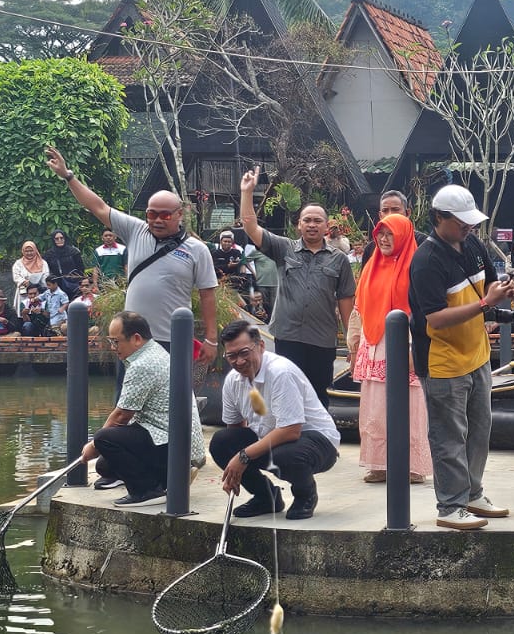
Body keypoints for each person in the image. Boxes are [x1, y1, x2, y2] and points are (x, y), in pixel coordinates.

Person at [409, 184, 514, 530]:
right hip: (442, 360)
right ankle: (450, 505)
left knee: (479, 430)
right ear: (440, 218)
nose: (468, 227)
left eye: (470, 222)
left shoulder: (472, 244)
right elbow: (434, 318)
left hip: (477, 354)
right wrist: (486, 304)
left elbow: (488, 285)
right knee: (448, 434)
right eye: (461, 222)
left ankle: (472, 493)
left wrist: (499, 294)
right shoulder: (426, 260)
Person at [48, 145, 217, 359]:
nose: (156, 220)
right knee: (127, 392)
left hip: (173, 338)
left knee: (171, 392)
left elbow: (207, 295)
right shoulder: (136, 230)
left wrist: (212, 339)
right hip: (133, 339)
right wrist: (68, 176)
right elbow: (98, 206)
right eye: (151, 214)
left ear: (179, 214)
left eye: (164, 216)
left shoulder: (197, 250)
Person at [236, 170, 356, 400]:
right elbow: (250, 226)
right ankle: (288, 436)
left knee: (318, 396)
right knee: (285, 394)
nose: (312, 225)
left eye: (317, 221)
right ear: (299, 225)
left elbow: (345, 301)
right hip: (287, 337)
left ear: (326, 226)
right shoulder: (284, 248)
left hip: (322, 340)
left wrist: (351, 341)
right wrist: (247, 192)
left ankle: (316, 436)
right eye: (307, 220)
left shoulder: (338, 259)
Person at [212, 321, 341, 520]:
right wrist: (236, 464)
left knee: (284, 455)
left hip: (316, 442)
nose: (239, 361)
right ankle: (266, 496)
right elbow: (235, 430)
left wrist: (243, 456)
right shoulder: (232, 381)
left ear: (261, 346)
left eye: (244, 353)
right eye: (232, 356)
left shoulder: (281, 372)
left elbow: (291, 430)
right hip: (272, 438)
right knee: (222, 442)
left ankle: (305, 494)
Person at [83, 311, 205, 506]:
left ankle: (146, 490)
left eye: (116, 341)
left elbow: (122, 415)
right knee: (105, 466)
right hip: (170, 438)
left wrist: (94, 445)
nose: (114, 347)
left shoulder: (142, 364)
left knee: (104, 439)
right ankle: (162, 477)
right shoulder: (154, 351)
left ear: (136, 339)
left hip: (170, 443)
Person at [352, 213, 432, 485]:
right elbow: (360, 306)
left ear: (404, 236)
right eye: (381, 234)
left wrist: (415, 348)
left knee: (411, 405)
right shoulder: (372, 265)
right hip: (375, 343)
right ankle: (379, 464)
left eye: (390, 234)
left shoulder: (417, 267)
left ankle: (412, 465)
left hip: (407, 342)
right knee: (375, 405)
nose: (385, 240)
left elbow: (423, 311)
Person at [9, 241, 49, 314]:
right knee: (23, 312)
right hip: (23, 293)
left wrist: (34, 281)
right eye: (26, 251)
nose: (29, 253)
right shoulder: (18, 264)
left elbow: (46, 277)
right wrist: (24, 281)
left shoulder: (43, 263)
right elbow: (16, 277)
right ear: (23, 252)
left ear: (35, 250)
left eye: (31, 251)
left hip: (39, 293)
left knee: (39, 313)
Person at [43, 230, 85, 298]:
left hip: (73, 285)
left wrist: (77, 281)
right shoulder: (49, 254)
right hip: (56, 286)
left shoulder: (73, 252)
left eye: (61, 238)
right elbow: (47, 270)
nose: (59, 240)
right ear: (53, 240)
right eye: (57, 239)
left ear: (65, 238)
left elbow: (81, 269)